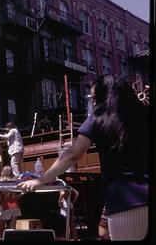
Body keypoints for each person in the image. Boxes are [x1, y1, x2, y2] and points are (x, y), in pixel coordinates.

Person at [19, 75, 148, 241]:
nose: (93, 103)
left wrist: (40, 180)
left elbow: (73, 154)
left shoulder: (100, 118)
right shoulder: (144, 113)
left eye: (95, 98)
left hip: (126, 200)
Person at [0, 165, 22, 239]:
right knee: (12, 229)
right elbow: (17, 195)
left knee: (0, 229)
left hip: (5, 206)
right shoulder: (15, 181)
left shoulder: (0, 183)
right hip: (15, 206)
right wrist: (20, 195)